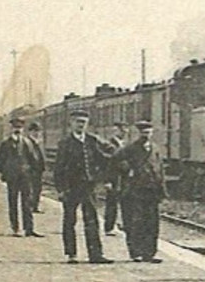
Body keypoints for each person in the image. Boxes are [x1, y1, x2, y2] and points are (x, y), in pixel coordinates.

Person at [53, 111, 114, 264]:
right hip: (71, 187)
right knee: (69, 220)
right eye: (78, 122)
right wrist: (61, 189)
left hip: (88, 187)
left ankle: (95, 254)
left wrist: (104, 177)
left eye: (84, 122)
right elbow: (59, 168)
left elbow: (104, 159)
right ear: (72, 123)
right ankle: (71, 254)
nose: (81, 125)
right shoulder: (65, 143)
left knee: (92, 220)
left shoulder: (92, 141)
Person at [111, 120, 166, 262]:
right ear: (138, 133)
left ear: (152, 133)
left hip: (152, 190)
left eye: (148, 133)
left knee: (152, 223)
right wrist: (127, 169)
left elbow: (160, 169)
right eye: (143, 133)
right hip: (135, 190)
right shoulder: (130, 148)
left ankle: (149, 253)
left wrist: (162, 189)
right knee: (135, 222)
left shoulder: (155, 148)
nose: (145, 135)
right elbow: (115, 161)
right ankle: (136, 253)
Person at [0, 119, 43, 237]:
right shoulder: (5, 144)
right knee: (13, 202)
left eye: (20, 128)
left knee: (27, 203)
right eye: (15, 127)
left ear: (22, 129)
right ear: (11, 129)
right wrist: (7, 172)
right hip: (12, 178)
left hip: (26, 178)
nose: (17, 130)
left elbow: (34, 159)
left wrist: (31, 172)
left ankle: (29, 229)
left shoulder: (27, 143)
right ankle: (15, 228)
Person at [101, 123, 129, 236]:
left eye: (125, 130)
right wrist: (106, 181)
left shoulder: (125, 144)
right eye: (121, 130)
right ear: (115, 131)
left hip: (124, 178)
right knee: (111, 202)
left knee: (125, 202)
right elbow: (106, 164)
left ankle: (124, 225)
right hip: (113, 178)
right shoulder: (109, 145)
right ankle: (109, 227)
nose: (124, 132)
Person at [23, 122, 46, 213]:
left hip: (38, 170)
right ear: (29, 132)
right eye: (34, 131)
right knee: (31, 189)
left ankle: (35, 206)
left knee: (37, 188)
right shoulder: (27, 142)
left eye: (38, 131)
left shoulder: (38, 142)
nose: (36, 133)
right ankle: (30, 207)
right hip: (31, 170)